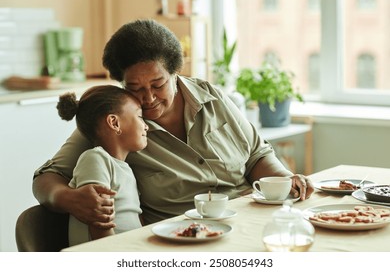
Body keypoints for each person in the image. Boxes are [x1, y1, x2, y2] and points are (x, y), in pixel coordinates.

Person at [33, 19, 314, 228]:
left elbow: (256, 154)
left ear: (176, 73)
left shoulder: (211, 96)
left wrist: (284, 179)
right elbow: (47, 177)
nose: (148, 98)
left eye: (158, 84)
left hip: (252, 222)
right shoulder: (114, 124)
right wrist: (68, 199)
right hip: (184, 239)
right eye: (134, 88)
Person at [56, 85, 148, 245]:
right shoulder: (95, 159)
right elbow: (99, 223)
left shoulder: (125, 168)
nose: (146, 125)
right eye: (140, 117)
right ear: (114, 122)